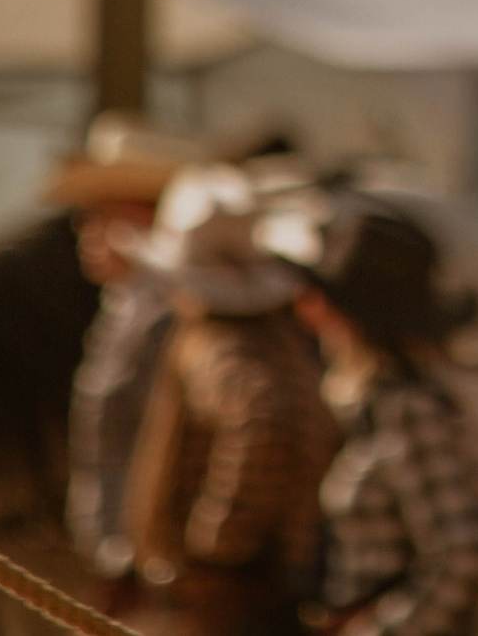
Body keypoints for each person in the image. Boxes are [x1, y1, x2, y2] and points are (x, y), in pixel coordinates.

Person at [125, 165, 341, 636]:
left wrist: (218, 547)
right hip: (272, 579)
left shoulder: (219, 345)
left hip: (235, 593)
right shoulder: (278, 339)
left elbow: (266, 424)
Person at [270, 205, 478, 636]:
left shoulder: (408, 410)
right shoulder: (373, 406)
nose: (306, 311)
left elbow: (466, 552)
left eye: (321, 299)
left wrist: (384, 632)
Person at [45, 114, 206, 593]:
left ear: (146, 219)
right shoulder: (128, 307)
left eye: (103, 213)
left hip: (154, 566)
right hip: (123, 556)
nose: (84, 229)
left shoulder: (171, 311)